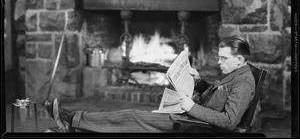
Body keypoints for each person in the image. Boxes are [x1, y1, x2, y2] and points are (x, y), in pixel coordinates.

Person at [45, 35, 255, 133]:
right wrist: (199, 83)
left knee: (134, 116)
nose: (219, 62)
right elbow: (216, 95)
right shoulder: (237, 73)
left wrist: (191, 107)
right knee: (134, 117)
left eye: (223, 58)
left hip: (196, 126)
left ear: (239, 60)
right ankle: (76, 127)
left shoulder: (244, 82)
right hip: (192, 116)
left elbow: (229, 121)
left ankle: (71, 119)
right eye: (219, 57)